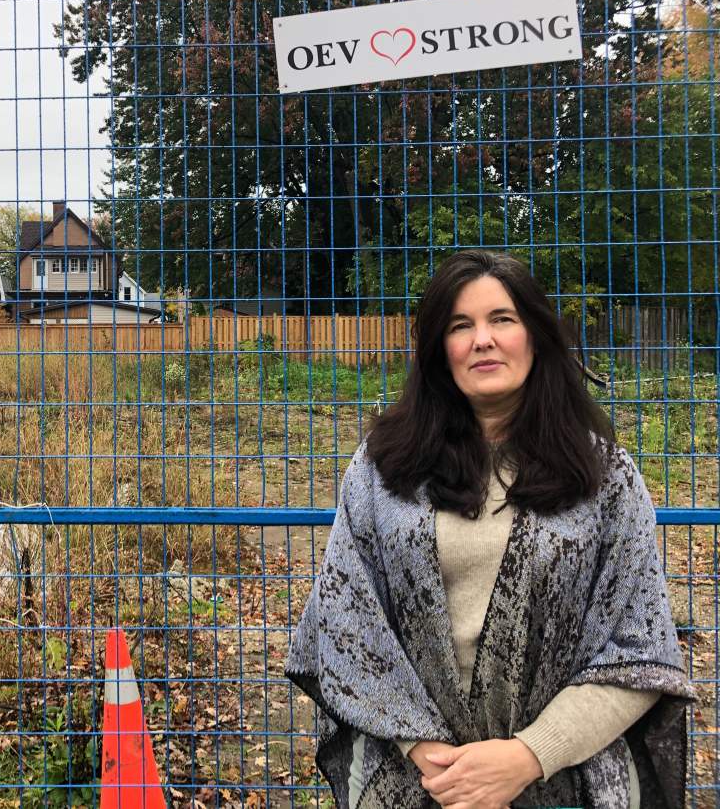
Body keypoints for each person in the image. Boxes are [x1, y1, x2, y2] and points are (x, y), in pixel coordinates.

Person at [285, 250, 694, 809]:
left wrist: (526, 757)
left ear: (536, 335)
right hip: (417, 782)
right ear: (439, 351)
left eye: (502, 319)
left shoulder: (605, 479)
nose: (483, 339)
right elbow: (344, 622)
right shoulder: (382, 470)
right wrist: (434, 759)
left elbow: (639, 650)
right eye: (460, 325)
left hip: (563, 781)